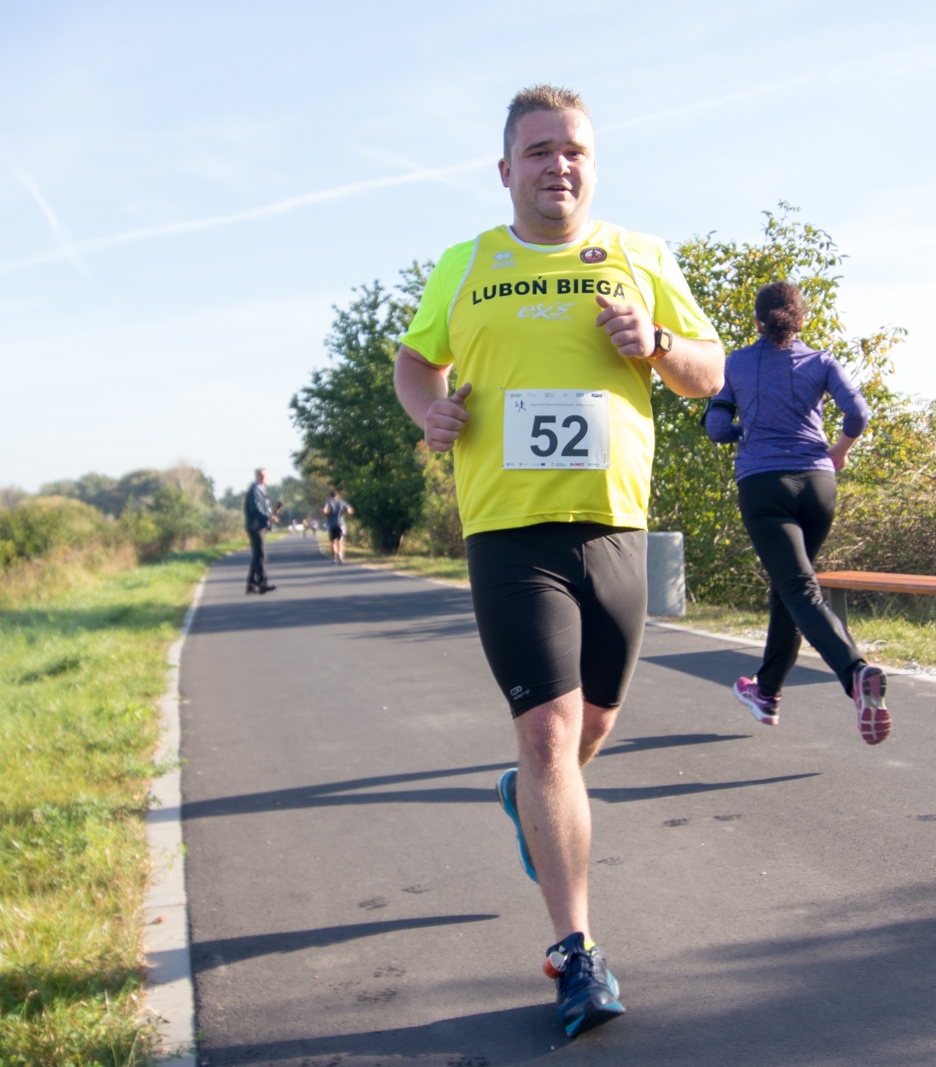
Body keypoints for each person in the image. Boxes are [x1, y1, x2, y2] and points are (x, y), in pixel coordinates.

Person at [393, 85, 724, 1037]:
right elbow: (417, 363)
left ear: (593, 163)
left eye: (573, 149)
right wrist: (429, 410)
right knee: (547, 732)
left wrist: (656, 342)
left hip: (615, 523)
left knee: (594, 723)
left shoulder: (641, 256)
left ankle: (525, 799)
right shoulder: (466, 264)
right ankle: (576, 952)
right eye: (538, 151)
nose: (558, 165)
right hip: (507, 527)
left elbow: (710, 371)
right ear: (507, 170)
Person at [703, 281, 889, 743]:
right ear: (801, 320)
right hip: (818, 484)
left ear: (757, 322)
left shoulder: (735, 363)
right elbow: (858, 414)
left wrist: (747, 431)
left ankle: (855, 672)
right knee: (789, 585)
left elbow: (716, 427)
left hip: (765, 484)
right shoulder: (822, 361)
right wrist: (840, 451)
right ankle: (766, 692)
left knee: (798, 587)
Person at [244, 468, 277, 594]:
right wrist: (268, 517)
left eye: (265, 475)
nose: (263, 478)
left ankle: (251, 585)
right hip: (255, 526)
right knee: (261, 555)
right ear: (256, 476)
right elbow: (255, 509)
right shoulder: (254, 490)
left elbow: (263, 508)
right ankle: (262, 584)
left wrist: (271, 515)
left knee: (257, 556)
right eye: (261, 475)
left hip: (259, 526)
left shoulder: (261, 490)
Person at [322, 491, 353, 564]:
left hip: (332, 524)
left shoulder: (328, 503)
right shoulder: (342, 502)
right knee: (341, 541)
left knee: (333, 542)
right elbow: (349, 511)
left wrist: (328, 513)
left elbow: (324, 511)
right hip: (341, 524)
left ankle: (334, 559)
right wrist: (345, 512)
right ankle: (340, 555)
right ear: (338, 495)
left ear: (331, 495)